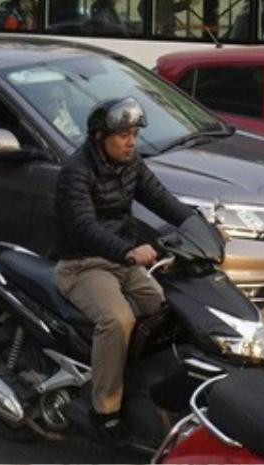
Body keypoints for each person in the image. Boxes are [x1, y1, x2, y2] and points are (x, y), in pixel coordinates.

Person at [52, 97, 197, 445]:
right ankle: (104, 410)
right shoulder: (77, 171)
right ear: (100, 136)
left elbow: (164, 200)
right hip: (83, 264)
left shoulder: (131, 164)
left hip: (123, 261)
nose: (132, 141)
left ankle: (134, 380)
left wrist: (200, 225)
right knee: (118, 319)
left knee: (164, 308)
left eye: (134, 133)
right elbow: (84, 226)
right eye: (123, 135)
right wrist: (128, 250)